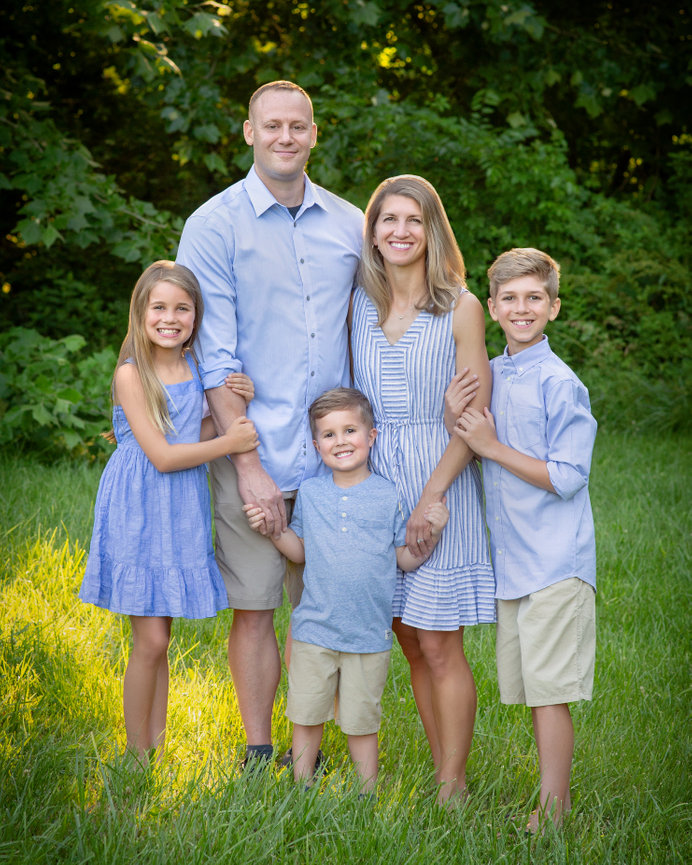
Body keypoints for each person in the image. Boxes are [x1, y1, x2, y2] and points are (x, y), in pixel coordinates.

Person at [176, 81, 363, 766]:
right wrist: (249, 466)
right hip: (250, 447)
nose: (286, 137)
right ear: (248, 132)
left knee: (332, 608)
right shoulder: (214, 224)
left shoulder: (350, 222)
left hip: (336, 457)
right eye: (272, 126)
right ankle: (261, 752)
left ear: (315, 133)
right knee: (255, 607)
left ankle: (318, 746)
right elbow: (212, 353)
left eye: (298, 126)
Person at [349, 175, 495, 806]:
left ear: (433, 231)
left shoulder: (460, 306)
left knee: (439, 639)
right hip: (378, 484)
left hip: (443, 480)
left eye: (414, 220)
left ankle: (453, 784)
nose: (400, 231)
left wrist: (433, 499)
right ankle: (442, 769)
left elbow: (474, 418)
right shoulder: (357, 302)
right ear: (374, 232)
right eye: (389, 220)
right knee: (407, 635)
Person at [79, 260, 259, 762]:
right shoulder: (130, 375)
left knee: (162, 637)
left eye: (182, 308)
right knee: (152, 640)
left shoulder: (195, 369)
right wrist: (229, 441)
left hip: (179, 508)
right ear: (141, 313)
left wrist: (233, 405)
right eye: (159, 307)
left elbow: (189, 439)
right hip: (139, 504)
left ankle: (153, 749)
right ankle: (136, 756)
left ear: (196, 318)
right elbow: (160, 455)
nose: (170, 317)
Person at [454, 247, 597, 832]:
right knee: (532, 687)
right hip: (514, 562)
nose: (522, 307)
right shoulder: (493, 370)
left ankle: (553, 809)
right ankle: (548, 801)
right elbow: (468, 433)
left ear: (554, 308)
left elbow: (567, 476)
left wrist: (492, 448)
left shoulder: (560, 384)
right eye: (509, 298)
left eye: (534, 297)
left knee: (548, 692)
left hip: (556, 561)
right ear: (490, 307)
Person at [243, 388, 449, 794]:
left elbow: (402, 559)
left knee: (361, 720)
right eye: (329, 434)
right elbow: (299, 553)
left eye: (350, 430)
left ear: (371, 436)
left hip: (368, 636)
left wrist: (433, 532)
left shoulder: (388, 493)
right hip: (314, 631)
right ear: (316, 444)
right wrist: (272, 528)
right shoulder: (313, 492)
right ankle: (302, 788)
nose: (341, 442)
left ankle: (365, 794)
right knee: (306, 715)